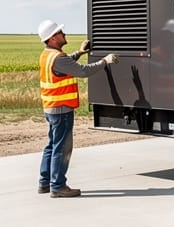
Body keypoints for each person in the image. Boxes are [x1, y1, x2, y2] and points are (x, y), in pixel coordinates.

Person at [36, 19, 118, 198]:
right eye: (59, 33)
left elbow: (67, 64)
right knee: (62, 148)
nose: (63, 35)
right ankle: (58, 186)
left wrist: (79, 52)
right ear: (51, 39)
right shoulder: (58, 58)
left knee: (51, 145)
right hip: (61, 110)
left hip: (51, 108)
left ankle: (44, 183)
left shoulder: (48, 55)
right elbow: (82, 71)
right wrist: (105, 61)